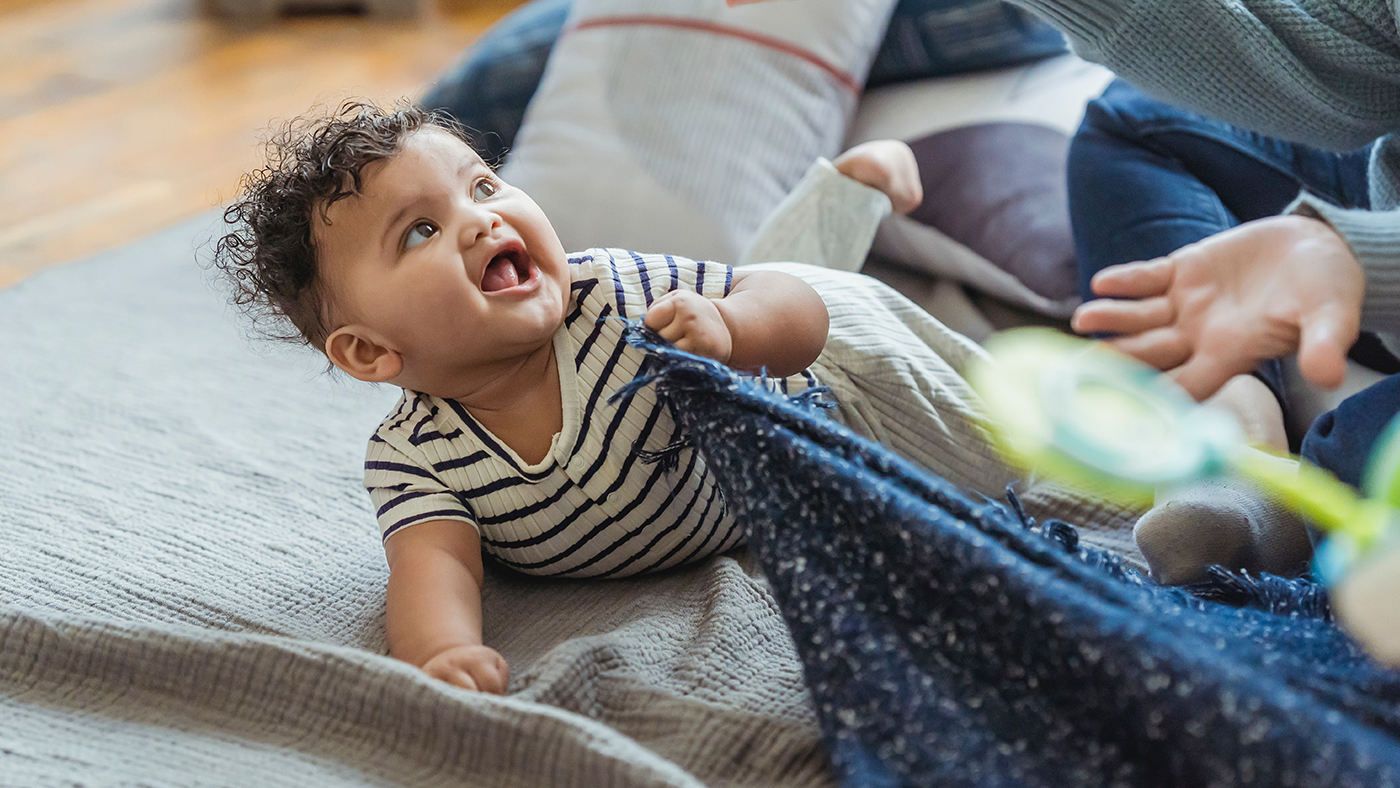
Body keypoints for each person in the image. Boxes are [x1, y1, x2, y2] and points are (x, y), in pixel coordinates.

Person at [213, 101, 1019, 694]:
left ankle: (848, 194)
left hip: (829, 384)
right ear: (371, 352)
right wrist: (440, 656)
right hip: (734, 364)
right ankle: (844, 193)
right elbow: (432, 571)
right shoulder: (416, 457)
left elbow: (793, 316)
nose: (479, 221)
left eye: (484, 186)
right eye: (419, 231)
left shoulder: (612, 292)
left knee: (998, 448)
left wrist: (734, 331)